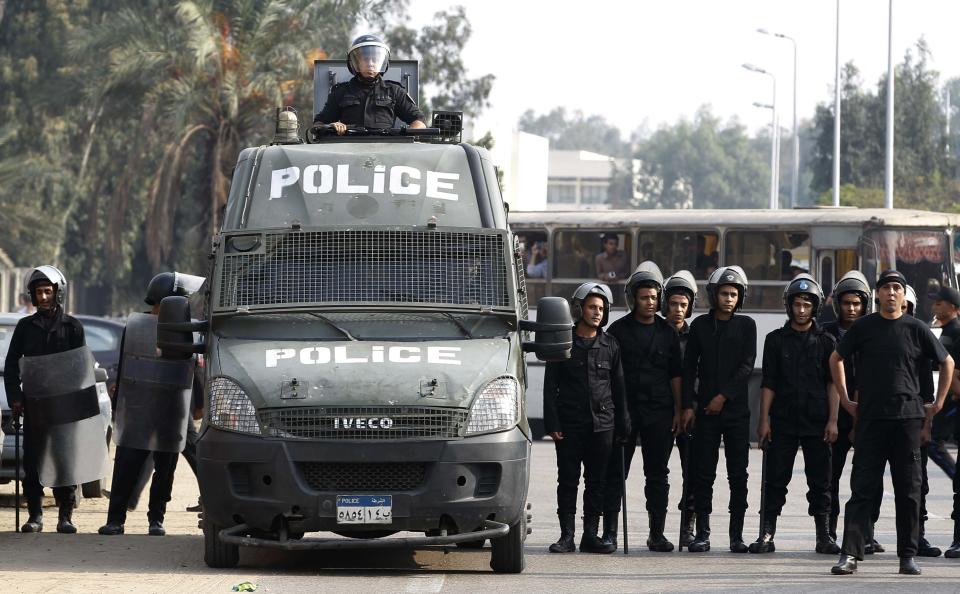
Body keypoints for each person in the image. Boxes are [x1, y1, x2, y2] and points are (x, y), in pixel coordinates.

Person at [830, 270, 954, 576]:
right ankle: (850, 554)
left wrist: (937, 404)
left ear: (903, 295)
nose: (891, 293)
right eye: (885, 288)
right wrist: (846, 399)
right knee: (862, 489)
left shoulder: (916, 328)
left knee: (909, 491)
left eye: (896, 288)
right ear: (878, 294)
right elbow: (836, 359)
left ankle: (907, 555)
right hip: (871, 419)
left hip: (908, 421)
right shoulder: (863, 327)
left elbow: (947, 362)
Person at [99, 272, 198, 536]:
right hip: (139, 406)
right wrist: (120, 405)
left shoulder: (184, 329)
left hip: (171, 408)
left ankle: (156, 519)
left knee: (165, 468)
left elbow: (191, 370)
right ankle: (115, 519)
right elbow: (124, 367)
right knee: (127, 463)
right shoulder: (136, 327)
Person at [750, 274, 840, 555]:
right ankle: (766, 533)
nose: (801, 310)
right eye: (797, 304)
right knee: (775, 479)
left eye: (807, 305)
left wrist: (833, 419)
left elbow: (832, 384)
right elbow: (769, 383)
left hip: (817, 420)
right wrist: (763, 420)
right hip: (784, 420)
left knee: (821, 480)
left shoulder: (827, 341)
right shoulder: (775, 340)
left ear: (815, 308)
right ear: (788, 306)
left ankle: (823, 536)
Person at [543, 282, 630, 554]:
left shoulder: (610, 345)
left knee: (597, 482)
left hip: (603, 425)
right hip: (570, 425)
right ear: (579, 308)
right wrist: (552, 423)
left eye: (601, 308)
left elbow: (619, 387)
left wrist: (623, 423)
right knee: (568, 481)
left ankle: (590, 535)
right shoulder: (563, 342)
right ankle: (566, 536)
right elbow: (550, 387)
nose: (597, 312)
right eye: (592, 307)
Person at [603, 263, 682, 552]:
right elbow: (609, 375)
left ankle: (657, 533)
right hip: (625, 411)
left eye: (653, 297)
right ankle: (609, 532)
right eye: (644, 297)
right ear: (633, 299)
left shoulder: (668, 333)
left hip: (659, 413)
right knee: (616, 473)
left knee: (658, 474)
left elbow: (676, 375)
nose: (650, 303)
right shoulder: (618, 331)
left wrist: (678, 409)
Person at [3, 266, 85, 533]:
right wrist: (15, 398)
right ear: (33, 295)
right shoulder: (25, 327)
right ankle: (35, 515)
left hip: (63, 408)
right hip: (34, 406)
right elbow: (12, 364)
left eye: (48, 291)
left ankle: (65, 515)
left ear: (57, 292)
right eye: (39, 292)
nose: (44, 297)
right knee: (33, 461)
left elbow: (81, 368)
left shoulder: (73, 327)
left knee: (64, 461)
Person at [682, 266, 756, 553]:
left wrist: (722, 397)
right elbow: (689, 368)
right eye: (724, 293)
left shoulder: (747, 325)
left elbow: (747, 366)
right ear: (714, 295)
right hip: (705, 414)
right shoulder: (700, 326)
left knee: (738, 475)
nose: (728, 299)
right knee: (704, 474)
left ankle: (736, 535)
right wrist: (688, 405)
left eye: (733, 294)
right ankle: (702, 533)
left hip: (736, 412)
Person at [822, 271, 871, 548]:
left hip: (866, 414)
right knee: (831, 477)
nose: (851, 309)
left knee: (866, 481)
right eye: (846, 303)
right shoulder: (826, 332)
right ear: (837, 304)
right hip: (835, 413)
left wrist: (857, 421)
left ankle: (866, 534)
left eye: (857, 303)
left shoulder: (873, 330)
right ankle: (828, 532)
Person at [313, 35, 426, 135]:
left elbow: (419, 121)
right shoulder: (340, 92)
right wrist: (331, 126)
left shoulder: (394, 91)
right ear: (355, 62)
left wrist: (405, 138)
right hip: (349, 151)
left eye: (375, 60)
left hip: (386, 151)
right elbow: (318, 125)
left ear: (383, 62)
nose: (371, 64)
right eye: (366, 60)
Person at [662, 270, 699, 548]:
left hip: (690, 413)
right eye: (673, 304)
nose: (677, 310)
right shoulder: (657, 333)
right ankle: (657, 530)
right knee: (657, 473)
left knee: (693, 473)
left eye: (683, 305)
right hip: (659, 412)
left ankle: (688, 526)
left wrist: (689, 407)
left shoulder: (695, 336)